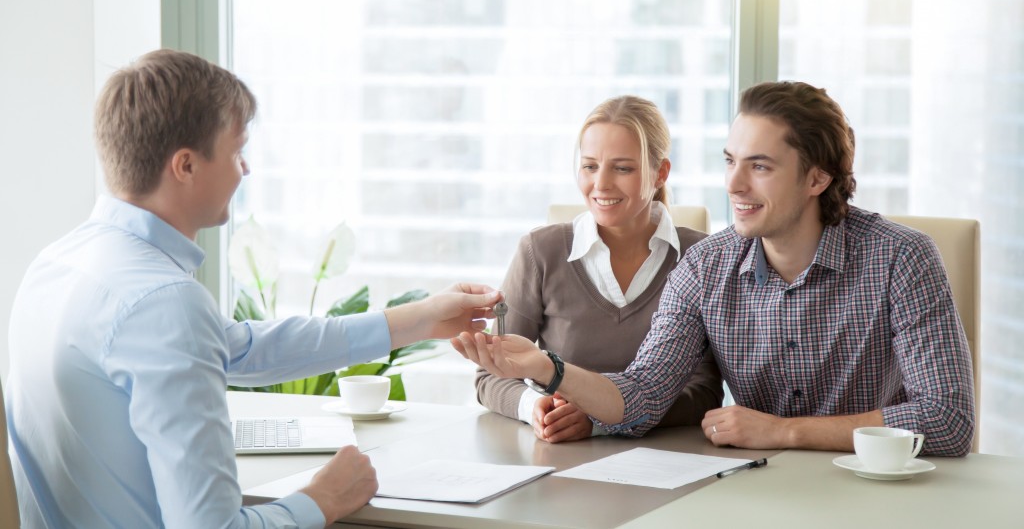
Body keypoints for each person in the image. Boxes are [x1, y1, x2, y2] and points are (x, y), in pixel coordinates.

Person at [5, 49, 501, 529]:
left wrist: (422, 319)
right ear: (186, 166)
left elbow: (242, 349)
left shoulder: (58, 263)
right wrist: (321, 500)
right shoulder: (161, 303)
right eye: (237, 151)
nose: (246, 169)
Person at [455, 81, 975, 457]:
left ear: (817, 178)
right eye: (730, 161)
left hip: (882, 493)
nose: (733, 185)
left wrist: (785, 431)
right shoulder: (705, 267)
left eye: (760, 166)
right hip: (758, 492)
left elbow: (946, 419)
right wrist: (546, 369)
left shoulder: (901, 257)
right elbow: (640, 398)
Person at [476, 96, 722, 443]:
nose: (601, 184)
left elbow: (705, 392)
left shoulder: (701, 258)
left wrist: (599, 419)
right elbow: (490, 376)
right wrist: (537, 407)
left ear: (660, 173)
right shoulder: (540, 252)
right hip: (556, 459)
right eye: (590, 166)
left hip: (663, 462)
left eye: (622, 168)